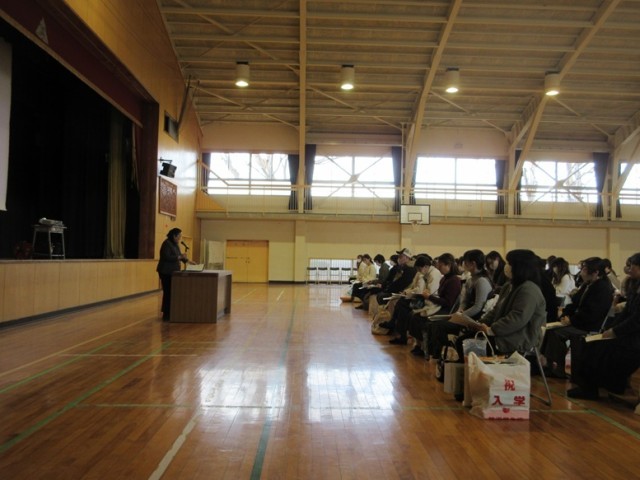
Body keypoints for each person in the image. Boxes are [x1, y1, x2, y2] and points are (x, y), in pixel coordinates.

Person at [567, 253, 640, 400]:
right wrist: (611, 329)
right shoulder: (635, 286)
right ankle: (593, 386)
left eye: (632, 265)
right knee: (593, 345)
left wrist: (615, 331)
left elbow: (636, 320)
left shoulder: (603, 287)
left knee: (599, 349)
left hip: (635, 338)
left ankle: (595, 388)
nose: (628, 269)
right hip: (628, 334)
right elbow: (626, 313)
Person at [452, 249, 547, 357]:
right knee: (464, 340)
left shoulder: (529, 290)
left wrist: (492, 329)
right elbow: (496, 310)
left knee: (465, 344)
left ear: (520, 267)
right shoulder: (509, 286)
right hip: (504, 334)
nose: (506, 266)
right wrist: (479, 323)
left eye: (509, 263)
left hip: (518, 338)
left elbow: (517, 318)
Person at [542, 257, 615, 378]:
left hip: (589, 325)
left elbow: (592, 313)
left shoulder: (603, 288)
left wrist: (571, 320)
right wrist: (565, 315)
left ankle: (558, 369)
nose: (581, 273)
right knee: (550, 329)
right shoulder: (588, 284)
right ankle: (549, 365)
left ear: (596, 272)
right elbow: (575, 303)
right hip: (580, 320)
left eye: (584, 270)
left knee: (556, 333)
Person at [423, 249, 493, 360]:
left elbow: (478, 306)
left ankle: (440, 355)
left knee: (439, 325)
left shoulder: (482, 281)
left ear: (473, 264)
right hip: (465, 316)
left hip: (475, 319)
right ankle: (436, 355)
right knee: (434, 323)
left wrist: (461, 316)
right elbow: (464, 302)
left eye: (465, 262)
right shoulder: (471, 280)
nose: (463, 264)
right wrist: (459, 312)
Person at [408, 253, 463, 356]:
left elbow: (448, 302)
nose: (438, 268)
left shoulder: (454, 281)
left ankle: (427, 349)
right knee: (415, 316)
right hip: (439, 306)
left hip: (446, 310)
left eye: (441, 265)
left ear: (448, 265)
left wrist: (429, 297)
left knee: (420, 319)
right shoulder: (444, 278)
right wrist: (430, 297)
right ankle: (420, 346)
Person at [156, 228, 193, 321]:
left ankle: (171, 312)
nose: (180, 238)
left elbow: (179, 256)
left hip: (173, 272)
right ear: (174, 236)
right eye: (179, 236)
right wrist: (179, 257)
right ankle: (166, 314)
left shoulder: (175, 244)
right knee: (168, 292)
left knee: (172, 292)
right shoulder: (166, 244)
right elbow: (167, 257)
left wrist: (188, 261)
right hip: (166, 272)